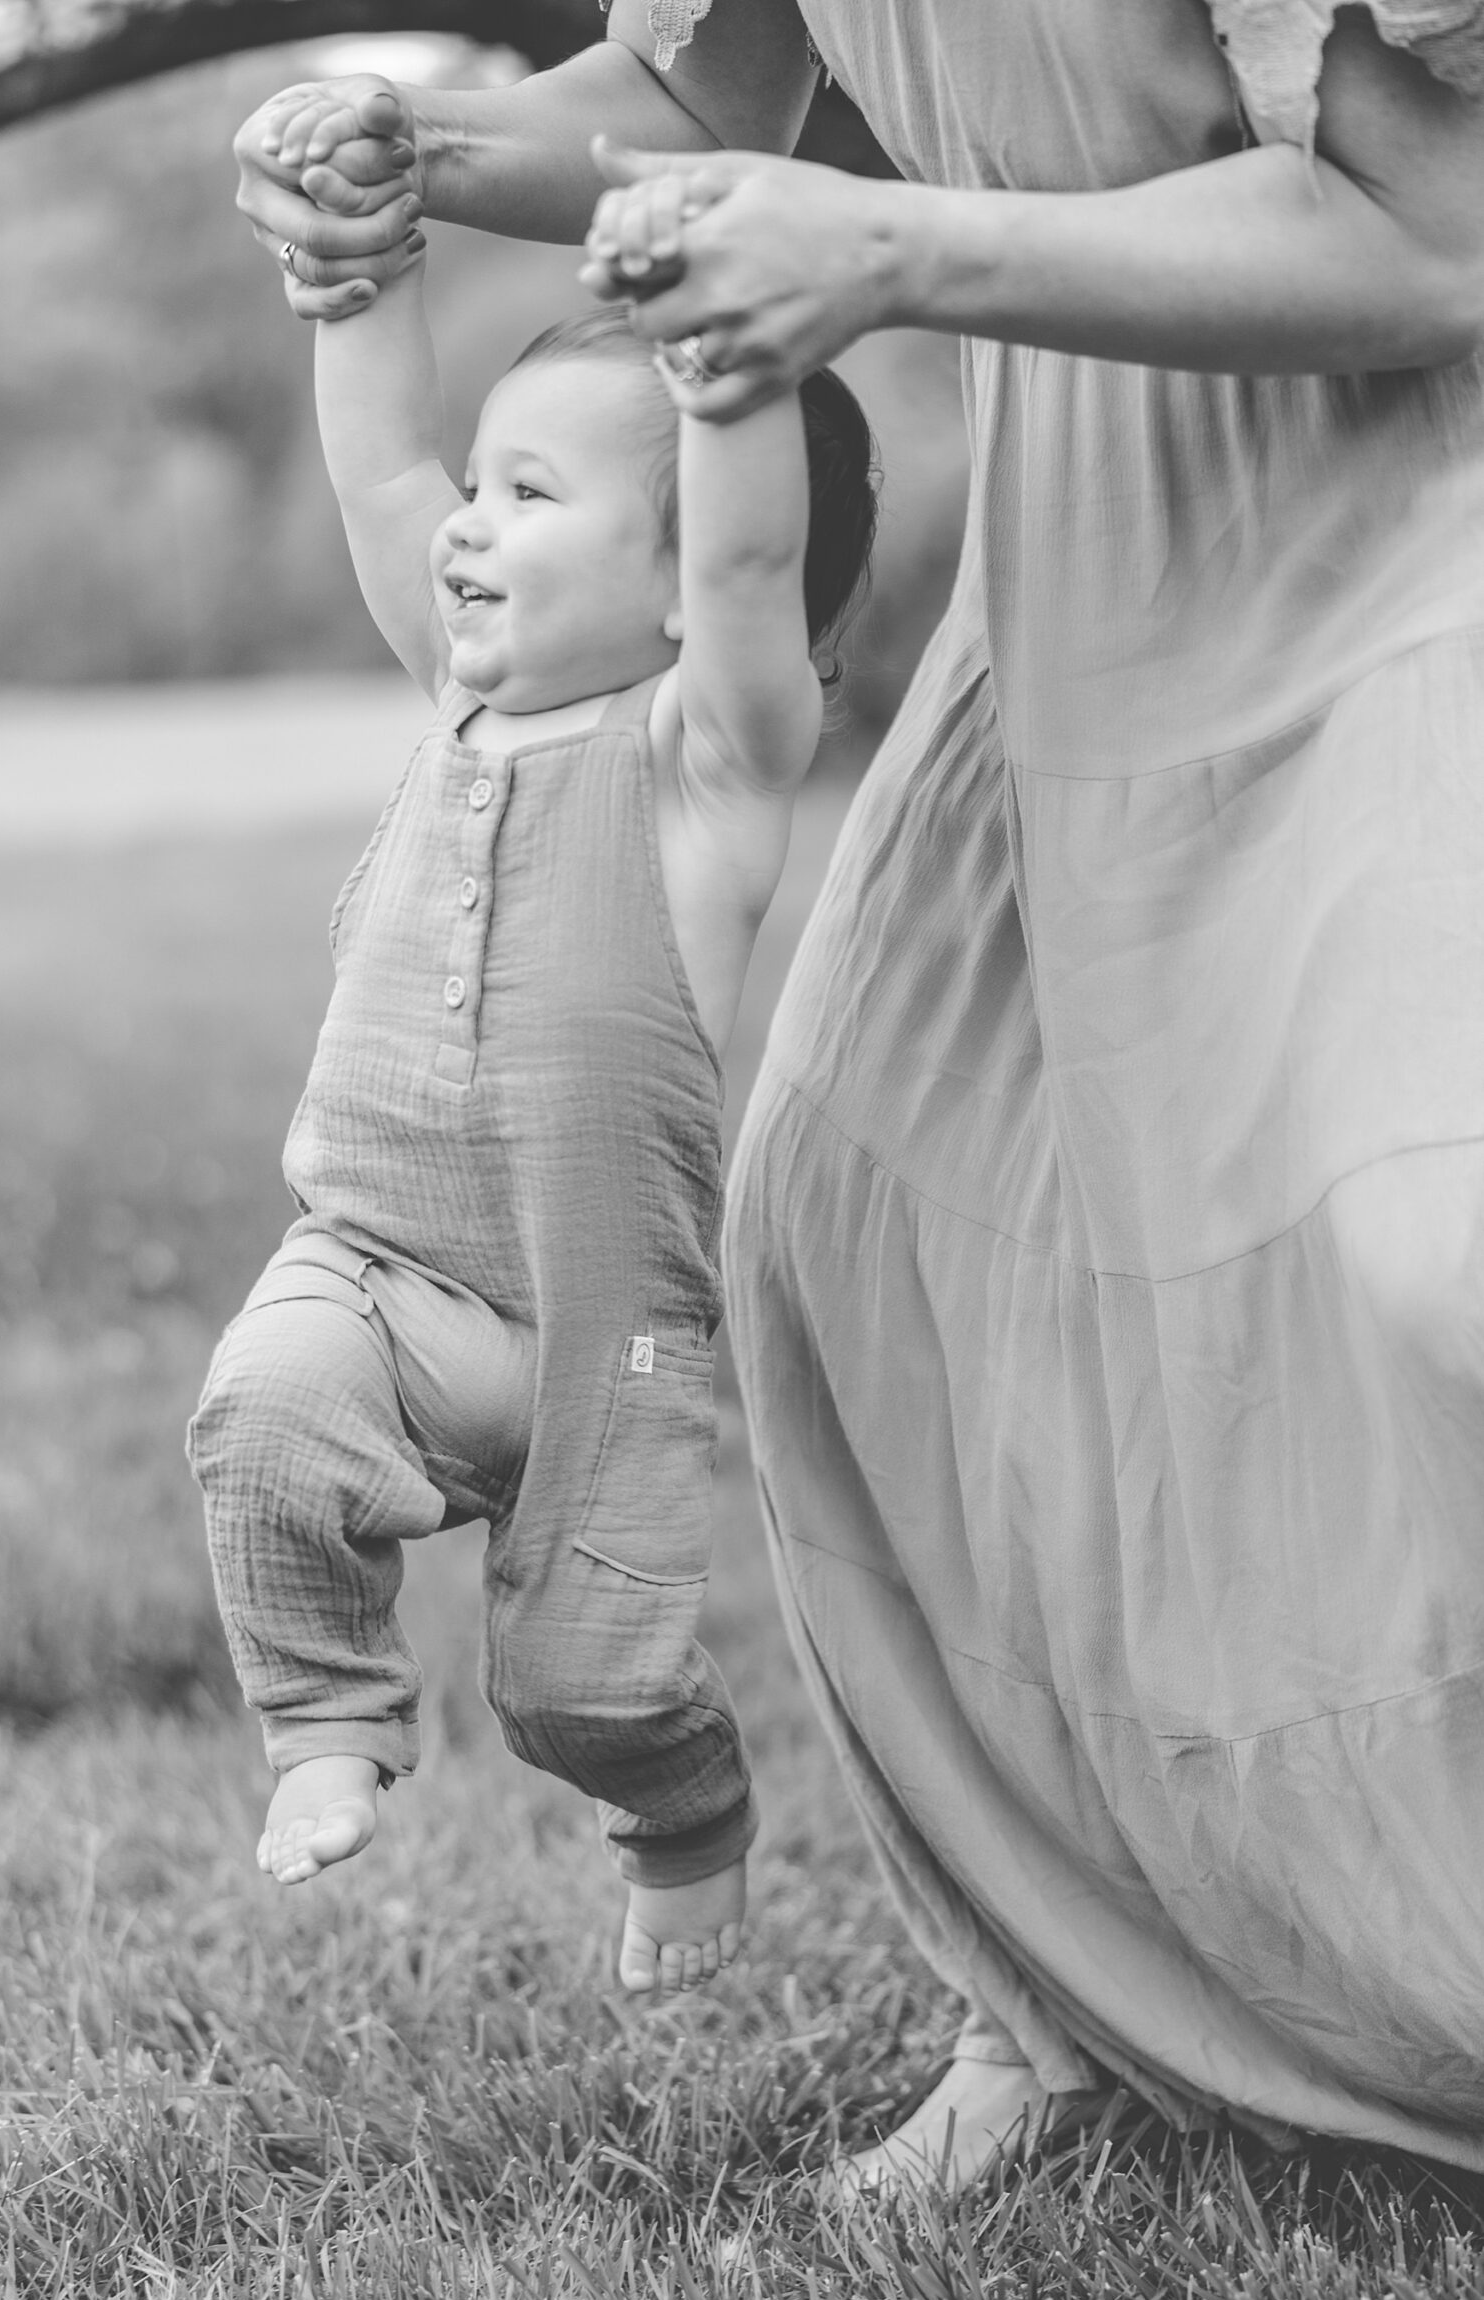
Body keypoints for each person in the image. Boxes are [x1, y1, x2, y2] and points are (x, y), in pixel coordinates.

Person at [234, 0, 1484, 2186]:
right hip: (1079, 554)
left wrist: (890, 248)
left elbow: (1434, 235)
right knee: (856, 1224)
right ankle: (1054, 2002)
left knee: (1424, 1241)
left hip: (1413, 521)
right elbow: (688, 118)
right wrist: (397, 155)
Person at [187, 108, 878, 2001]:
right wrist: (357, 271)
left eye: (535, 498)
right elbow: (381, 469)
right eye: (485, 493)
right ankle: (327, 1720)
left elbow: (744, 583)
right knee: (259, 1414)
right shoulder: (460, 695)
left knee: (591, 1676)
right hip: (384, 1268)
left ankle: (683, 1823)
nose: (471, 526)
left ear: (672, 588)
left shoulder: (701, 769)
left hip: (595, 1321)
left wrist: (725, 358)